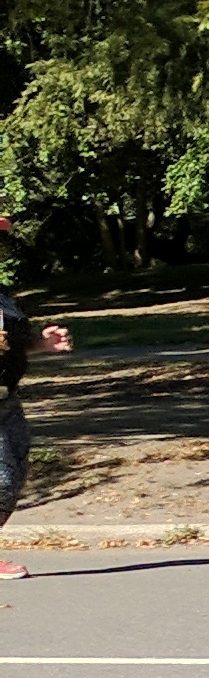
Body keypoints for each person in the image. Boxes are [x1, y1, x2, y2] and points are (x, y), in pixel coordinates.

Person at [0, 218, 74, 574]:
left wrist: (42, 345)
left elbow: (10, 345)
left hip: (7, 399)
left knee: (12, 478)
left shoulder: (0, 293)